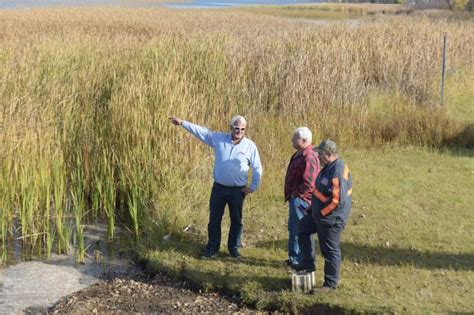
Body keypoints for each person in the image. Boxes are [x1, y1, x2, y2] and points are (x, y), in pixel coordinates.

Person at [169, 115, 263, 259]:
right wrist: (183, 123)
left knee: (236, 220)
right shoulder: (219, 139)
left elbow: (257, 167)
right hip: (218, 188)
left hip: (238, 190)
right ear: (230, 127)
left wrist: (253, 186)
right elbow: (202, 132)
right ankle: (212, 248)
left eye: (242, 129)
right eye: (236, 128)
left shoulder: (250, 146)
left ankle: (233, 248)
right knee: (214, 219)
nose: (239, 131)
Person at [292, 139, 352, 293]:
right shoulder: (328, 167)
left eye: (320, 153)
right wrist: (313, 209)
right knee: (302, 229)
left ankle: (330, 284)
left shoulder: (337, 172)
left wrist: (321, 215)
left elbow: (336, 201)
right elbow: (322, 193)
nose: (317, 155)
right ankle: (308, 264)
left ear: (328, 154)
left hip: (331, 219)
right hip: (318, 214)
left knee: (330, 250)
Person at [284, 127, 320, 266]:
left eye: (295, 138)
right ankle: (294, 257)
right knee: (293, 228)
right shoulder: (300, 153)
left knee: (300, 230)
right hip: (296, 199)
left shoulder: (309, 156)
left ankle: (301, 259)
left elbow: (309, 183)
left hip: (302, 200)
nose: (292, 140)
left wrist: (295, 194)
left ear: (304, 141)